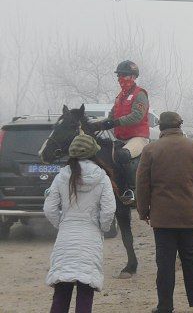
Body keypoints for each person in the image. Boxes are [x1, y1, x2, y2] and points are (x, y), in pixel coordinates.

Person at [136, 112, 193, 313]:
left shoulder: (150, 150)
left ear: (160, 127)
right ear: (180, 126)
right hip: (191, 218)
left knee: (165, 266)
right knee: (192, 263)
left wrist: (143, 210)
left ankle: (165, 306)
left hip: (162, 219)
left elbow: (142, 184)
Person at [44, 134, 116, 313]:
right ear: (93, 153)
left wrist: (62, 224)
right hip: (90, 239)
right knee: (85, 291)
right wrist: (103, 227)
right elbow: (108, 210)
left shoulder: (62, 176)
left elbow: (49, 208)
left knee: (61, 291)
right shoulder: (102, 177)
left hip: (66, 238)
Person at [90, 60, 150, 204]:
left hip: (138, 138)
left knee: (122, 155)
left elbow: (137, 116)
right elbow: (110, 118)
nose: (120, 79)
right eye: (119, 76)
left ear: (133, 77)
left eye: (123, 75)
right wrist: (95, 126)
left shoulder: (140, 94)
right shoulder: (119, 97)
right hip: (121, 138)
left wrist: (115, 122)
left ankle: (131, 190)